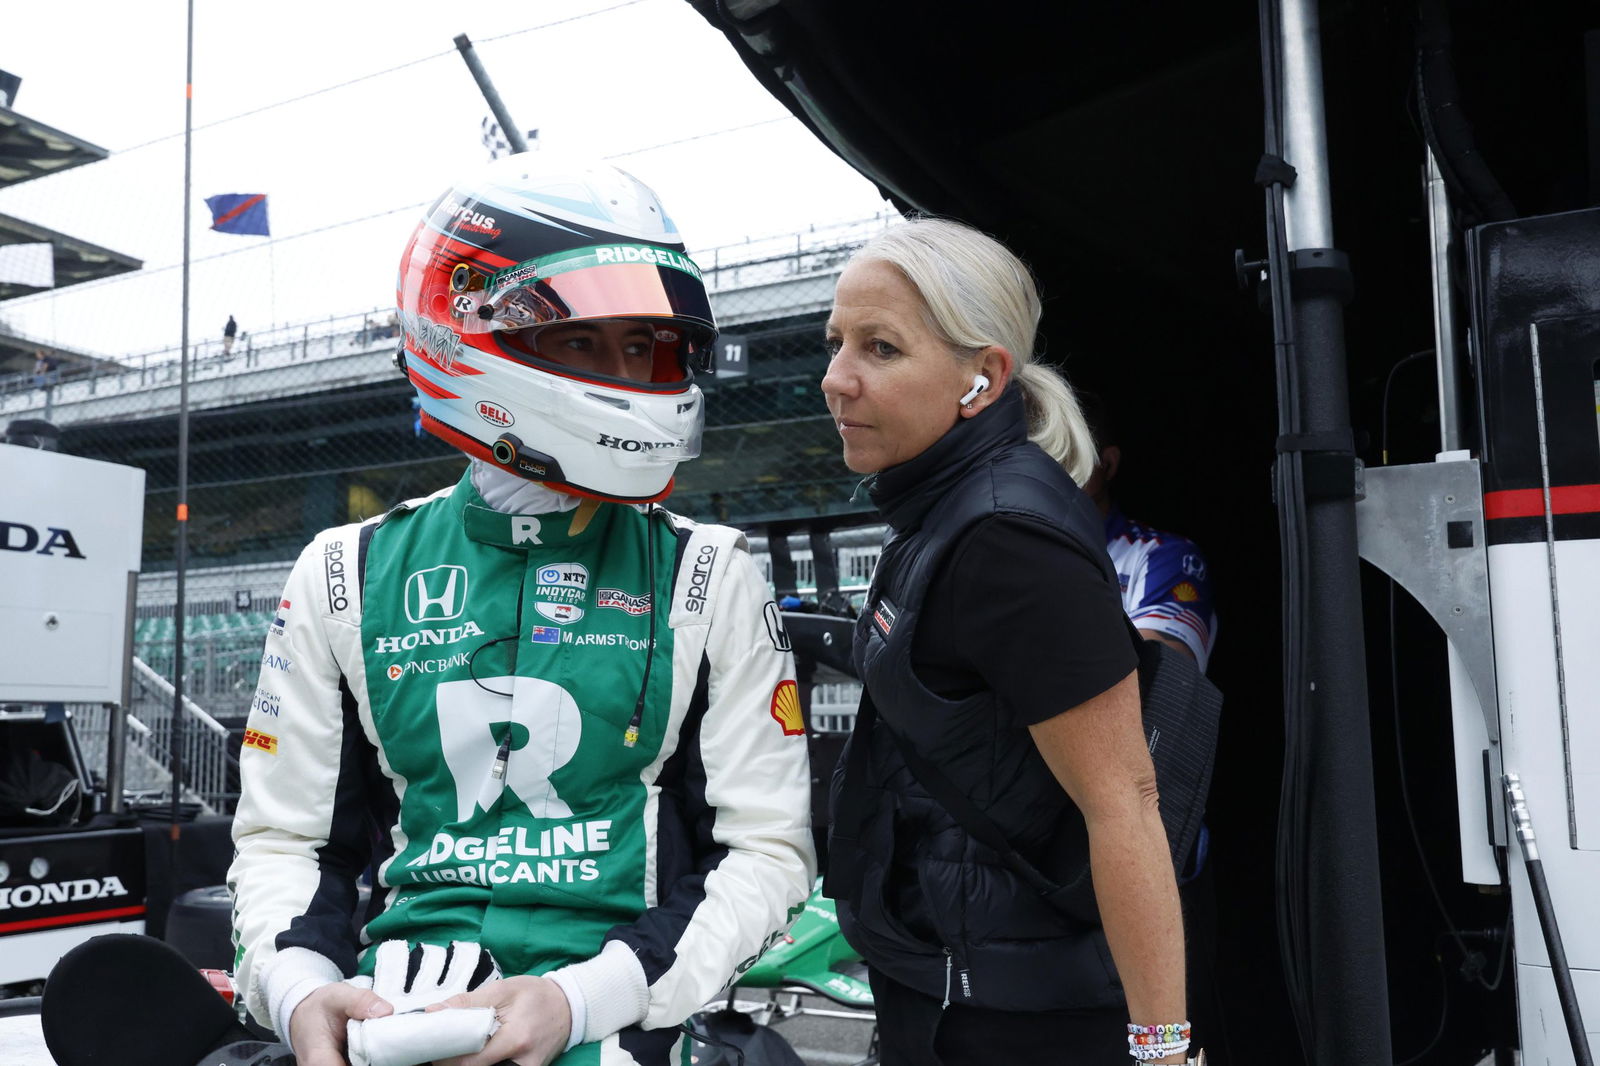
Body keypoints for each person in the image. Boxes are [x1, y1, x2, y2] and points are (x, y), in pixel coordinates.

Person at [229, 156, 816, 1066]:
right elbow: (288, 844)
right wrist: (304, 993)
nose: (626, 375)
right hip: (391, 1024)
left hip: (622, 1021)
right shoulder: (343, 572)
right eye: (582, 342)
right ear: (459, 328)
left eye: (647, 347)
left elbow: (768, 855)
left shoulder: (711, 575)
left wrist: (582, 1000)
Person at [822, 218, 1192, 1064]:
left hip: (1019, 1024)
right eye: (836, 340)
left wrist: (1165, 1051)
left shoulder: (1003, 539)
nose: (836, 379)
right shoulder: (949, 507)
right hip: (969, 995)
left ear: (982, 378)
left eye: (879, 348)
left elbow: (1125, 803)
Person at [1078, 391, 1218, 670]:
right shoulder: (1010, 551)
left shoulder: (1165, 557)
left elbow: (1159, 680)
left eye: (1069, 450)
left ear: (1108, 463)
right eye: (1041, 450)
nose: (1052, 464)